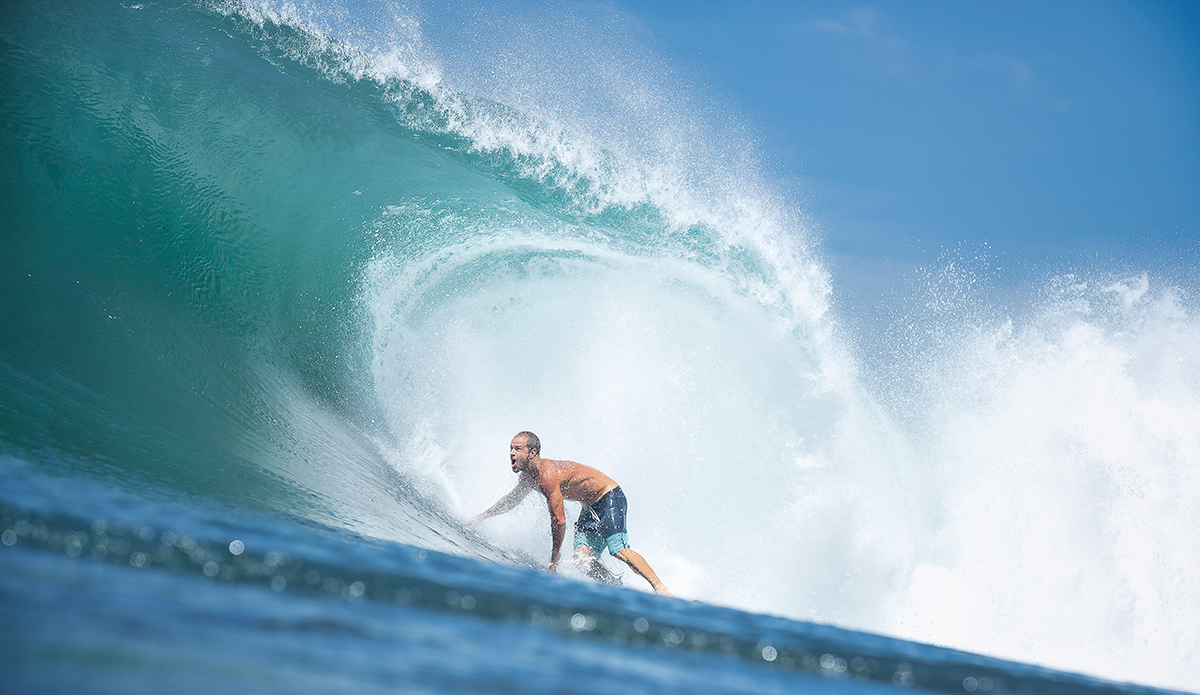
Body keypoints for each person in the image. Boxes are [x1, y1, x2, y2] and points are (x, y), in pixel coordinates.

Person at [470, 431, 671, 595]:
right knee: (582, 559)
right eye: (511, 449)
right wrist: (482, 516)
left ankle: (661, 589)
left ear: (532, 453)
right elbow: (509, 501)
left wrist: (554, 555)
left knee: (618, 549)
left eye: (517, 449)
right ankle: (617, 588)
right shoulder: (528, 478)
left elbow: (559, 519)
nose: (512, 453)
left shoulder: (546, 475)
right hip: (589, 506)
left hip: (609, 496)